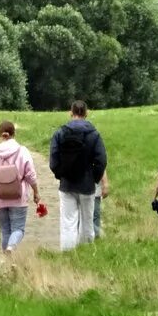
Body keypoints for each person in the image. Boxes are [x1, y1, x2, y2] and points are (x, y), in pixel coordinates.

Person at [49, 100, 107, 251]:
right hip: (87, 185)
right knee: (87, 222)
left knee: (68, 222)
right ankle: (86, 254)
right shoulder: (94, 134)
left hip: (67, 184)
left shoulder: (60, 133)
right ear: (86, 113)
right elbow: (101, 160)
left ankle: (67, 253)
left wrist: (61, 175)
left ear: (71, 112)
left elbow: (53, 161)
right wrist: (94, 178)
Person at [0, 120, 39, 253]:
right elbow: (30, 174)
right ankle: (12, 247)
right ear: (14, 134)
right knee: (18, 229)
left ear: (0, 134)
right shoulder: (22, 151)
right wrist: (36, 191)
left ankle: (7, 261)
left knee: (5, 230)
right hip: (19, 198)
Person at [93, 172, 109, 239]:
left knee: (95, 215)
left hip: (95, 189)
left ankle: (96, 237)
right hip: (76, 188)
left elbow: (102, 164)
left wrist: (105, 183)